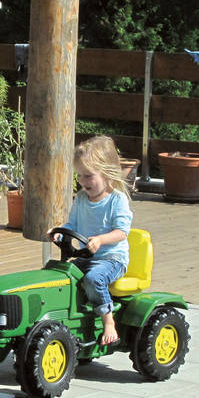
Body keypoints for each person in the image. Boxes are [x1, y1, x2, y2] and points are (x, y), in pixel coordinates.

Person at [50, 135, 132, 346]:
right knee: (60, 275)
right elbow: (72, 226)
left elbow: (122, 232)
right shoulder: (81, 199)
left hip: (112, 259)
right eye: (79, 176)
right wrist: (60, 232)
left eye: (88, 176)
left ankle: (108, 322)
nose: (82, 181)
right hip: (85, 257)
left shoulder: (117, 200)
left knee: (93, 279)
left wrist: (101, 240)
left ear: (107, 174)